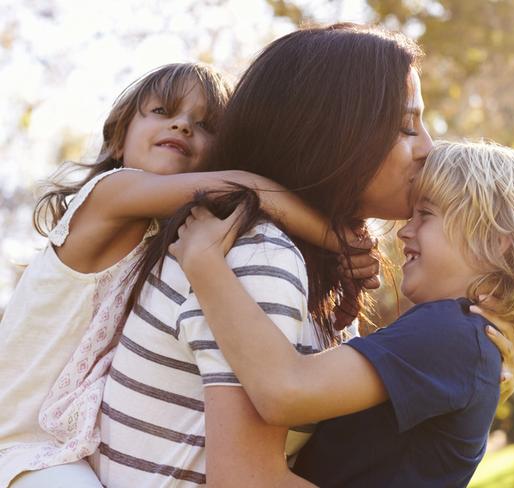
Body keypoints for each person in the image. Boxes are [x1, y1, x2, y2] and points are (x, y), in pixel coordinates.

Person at [95, 24, 514, 487]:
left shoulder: (307, 263)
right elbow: (249, 480)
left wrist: (466, 365)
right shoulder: (259, 257)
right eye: (405, 126)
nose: (427, 149)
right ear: (331, 134)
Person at [0, 62, 342, 488]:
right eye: (163, 112)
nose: (182, 127)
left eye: (204, 125)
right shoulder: (110, 194)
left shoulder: (164, 238)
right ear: (118, 140)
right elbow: (244, 187)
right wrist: (340, 239)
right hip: (23, 444)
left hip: (74, 439)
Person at [170, 139, 514, 487]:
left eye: (427, 214)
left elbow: (285, 391)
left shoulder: (451, 333)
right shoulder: (463, 341)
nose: (404, 230)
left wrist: (204, 263)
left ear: (497, 243)